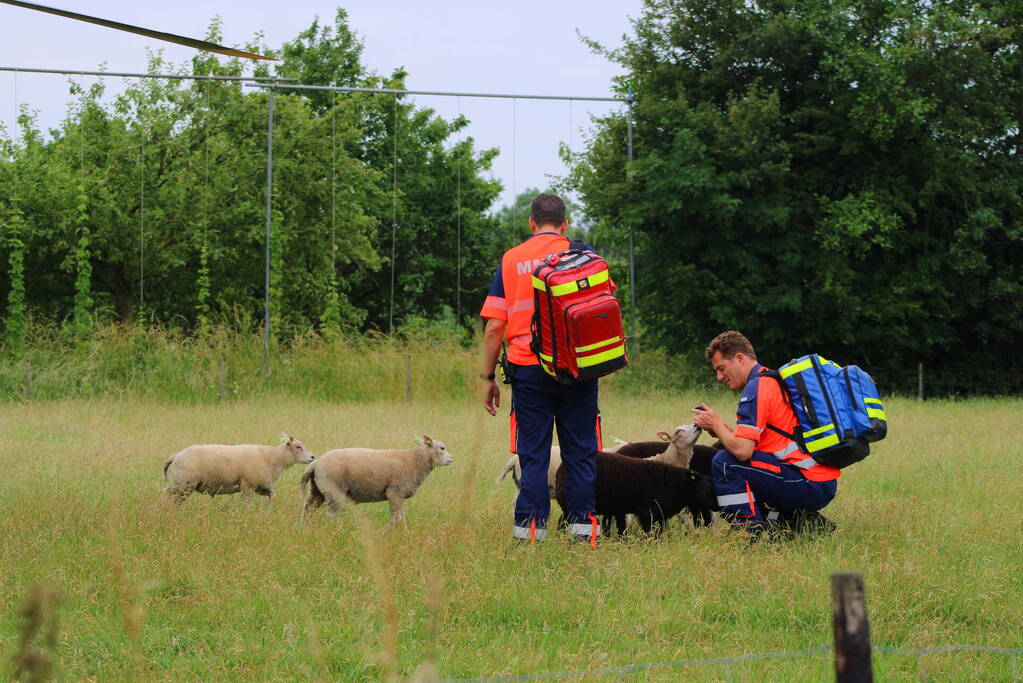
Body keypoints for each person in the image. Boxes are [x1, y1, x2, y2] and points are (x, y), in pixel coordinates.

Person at [479, 193, 602, 545]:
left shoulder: (512, 259)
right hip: (578, 370)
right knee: (581, 453)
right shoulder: (584, 255)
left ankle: (530, 535)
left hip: (528, 370)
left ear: (531, 223)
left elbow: (493, 328)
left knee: (533, 456)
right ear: (565, 225)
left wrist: (488, 377)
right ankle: (584, 534)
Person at [691, 330, 839, 537]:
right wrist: (720, 430)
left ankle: (752, 534)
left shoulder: (757, 388)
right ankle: (803, 525)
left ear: (740, 358)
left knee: (724, 462)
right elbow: (760, 444)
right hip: (817, 480)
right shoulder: (771, 380)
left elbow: (743, 451)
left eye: (722, 368)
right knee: (733, 459)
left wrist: (716, 424)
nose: (719, 377)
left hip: (806, 481)